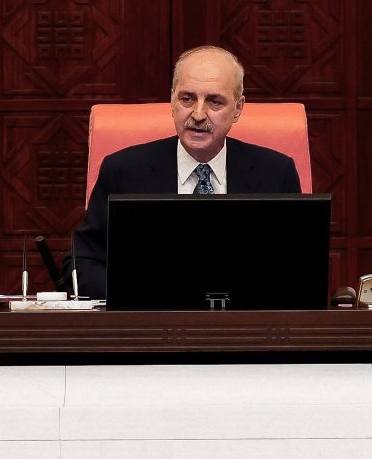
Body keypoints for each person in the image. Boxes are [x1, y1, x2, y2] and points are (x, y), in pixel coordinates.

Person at [65, 45, 301, 298]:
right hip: (152, 326)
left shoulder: (276, 173)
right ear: (172, 101)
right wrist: (144, 298)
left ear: (238, 108)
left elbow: (300, 268)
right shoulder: (124, 171)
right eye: (187, 98)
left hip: (243, 329)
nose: (198, 115)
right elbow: (82, 264)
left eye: (214, 101)